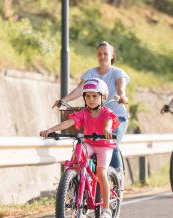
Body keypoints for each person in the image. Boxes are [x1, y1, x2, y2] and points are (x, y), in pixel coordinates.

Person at [41, 78, 120, 218]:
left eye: (94, 96)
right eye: (87, 96)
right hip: (89, 143)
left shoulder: (106, 112)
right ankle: (76, 182)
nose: (90, 99)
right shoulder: (83, 113)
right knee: (77, 154)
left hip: (104, 145)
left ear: (103, 97)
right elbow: (68, 122)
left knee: (101, 172)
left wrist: (107, 129)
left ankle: (107, 210)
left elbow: (109, 121)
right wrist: (51, 129)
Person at [52, 41, 129, 180]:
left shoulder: (118, 73)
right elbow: (79, 90)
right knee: (85, 144)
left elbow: (120, 88)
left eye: (106, 53)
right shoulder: (91, 72)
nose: (102, 56)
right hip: (96, 116)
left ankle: (117, 176)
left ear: (112, 55)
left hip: (116, 116)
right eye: (99, 53)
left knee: (112, 143)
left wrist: (122, 96)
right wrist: (65, 100)